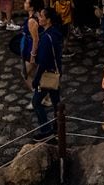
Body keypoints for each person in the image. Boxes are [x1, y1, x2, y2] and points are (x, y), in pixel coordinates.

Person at [31, 8, 63, 140]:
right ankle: (58, 126)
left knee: (36, 102)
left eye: (42, 16)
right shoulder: (55, 34)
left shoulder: (45, 39)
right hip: (56, 72)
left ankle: (46, 130)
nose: (39, 18)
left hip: (47, 75)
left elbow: (43, 62)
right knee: (56, 101)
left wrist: (36, 79)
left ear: (48, 20)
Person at [21, 0, 45, 85]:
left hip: (32, 48)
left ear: (31, 7)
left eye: (26, 3)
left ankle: (39, 95)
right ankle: (42, 96)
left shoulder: (32, 21)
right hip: (33, 47)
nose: (24, 4)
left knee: (25, 74)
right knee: (37, 73)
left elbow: (36, 39)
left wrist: (33, 55)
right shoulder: (37, 16)